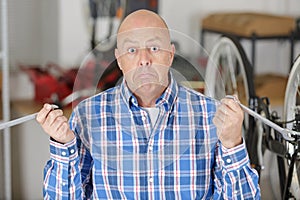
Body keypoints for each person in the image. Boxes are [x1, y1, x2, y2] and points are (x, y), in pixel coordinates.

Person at [37, 9, 260, 199]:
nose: (144, 59)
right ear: (120, 59)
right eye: (132, 50)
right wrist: (63, 145)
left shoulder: (210, 114)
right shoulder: (87, 116)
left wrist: (233, 144)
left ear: (170, 55)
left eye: (154, 48)